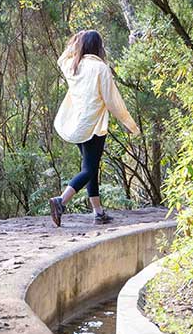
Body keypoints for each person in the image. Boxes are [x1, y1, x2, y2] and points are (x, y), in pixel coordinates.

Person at [49, 29, 140, 227]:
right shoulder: (100, 68)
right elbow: (112, 100)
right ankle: (61, 201)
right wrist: (129, 123)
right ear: (98, 47)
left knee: (89, 166)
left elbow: (62, 56)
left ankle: (98, 212)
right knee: (89, 169)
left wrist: (78, 40)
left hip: (76, 124)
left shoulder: (71, 65)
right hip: (93, 126)